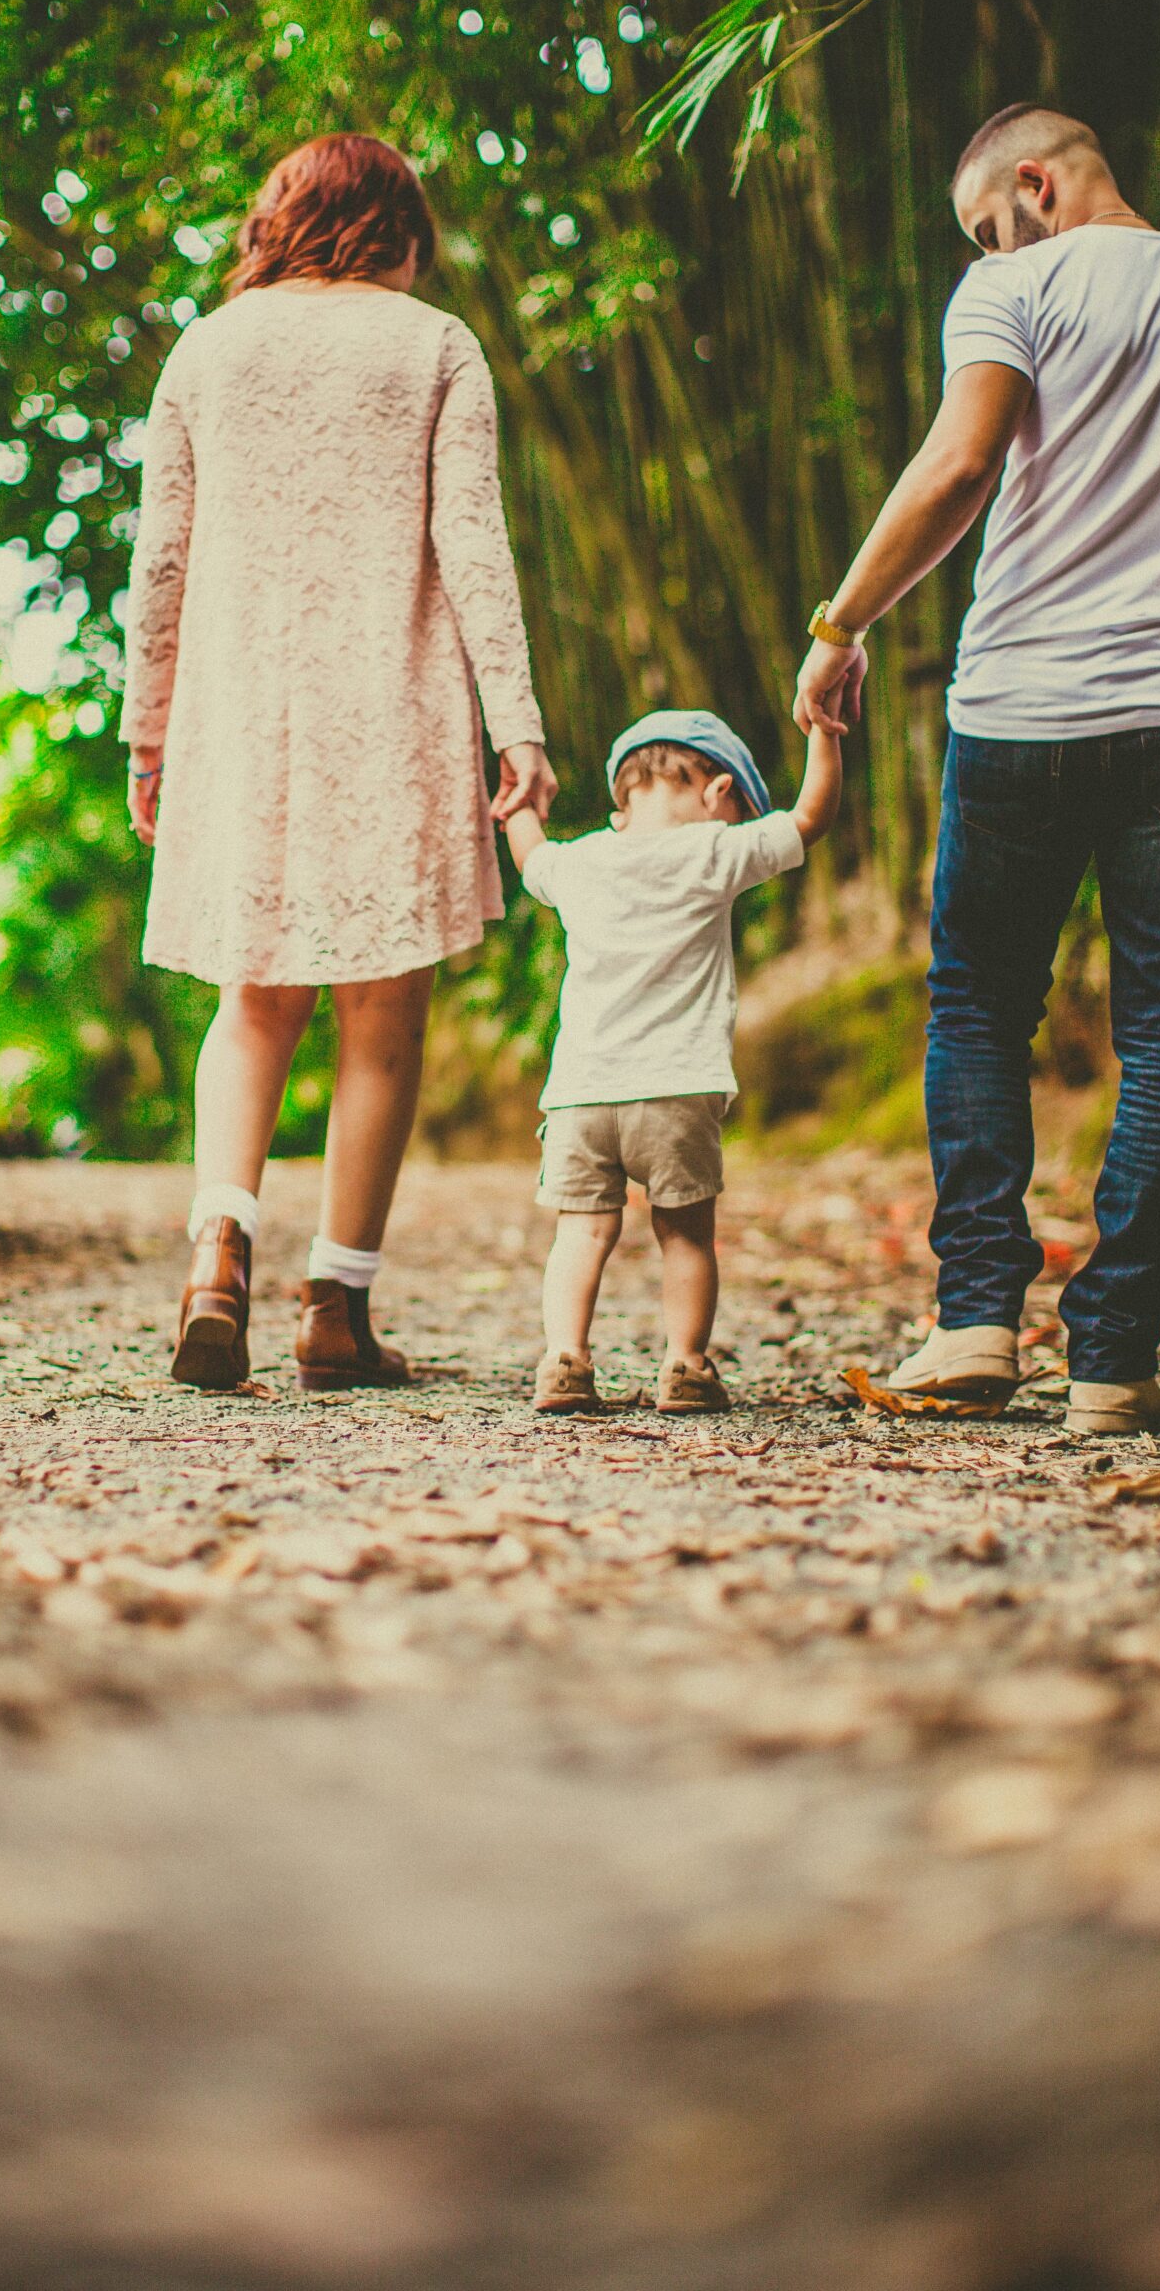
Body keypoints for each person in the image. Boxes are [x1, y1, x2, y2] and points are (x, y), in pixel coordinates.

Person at [794, 104, 1160, 1438]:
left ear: (1033, 185)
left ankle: (974, 1326)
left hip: (1021, 711)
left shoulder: (1012, 285)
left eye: (987, 220)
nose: (987, 245)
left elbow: (959, 463)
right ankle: (1110, 1364)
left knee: (978, 1008)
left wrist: (838, 625)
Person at [121, 133, 556, 1392]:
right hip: (394, 704)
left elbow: (162, 560)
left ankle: (217, 1259)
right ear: (399, 229)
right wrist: (516, 725)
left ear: (279, 222)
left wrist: (148, 729)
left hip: (240, 713)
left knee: (251, 998)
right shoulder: (432, 346)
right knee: (385, 1015)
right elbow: (474, 542)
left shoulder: (208, 346)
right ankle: (335, 1310)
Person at [508, 709, 843, 1415]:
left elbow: (529, 853)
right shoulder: (712, 851)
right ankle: (685, 1367)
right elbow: (811, 815)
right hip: (676, 1087)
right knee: (684, 1234)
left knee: (582, 1232)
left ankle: (564, 1359)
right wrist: (824, 732)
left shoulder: (579, 861)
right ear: (717, 793)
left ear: (621, 797)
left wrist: (522, 799)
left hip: (581, 1094)